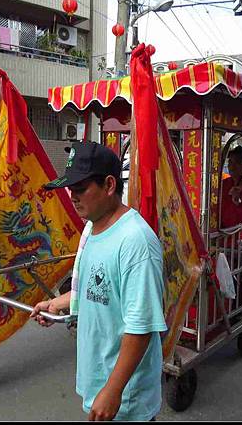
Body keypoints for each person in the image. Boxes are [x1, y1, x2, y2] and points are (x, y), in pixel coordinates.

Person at [31, 141, 167, 421]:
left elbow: (141, 326)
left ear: (108, 185)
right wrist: (57, 303)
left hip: (126, 396)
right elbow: (96, 289)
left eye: (80, 189)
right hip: (99, 379)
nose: (73, 197)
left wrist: (114, 389)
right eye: (70, 190)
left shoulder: (135, 241)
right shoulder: (92, 228)